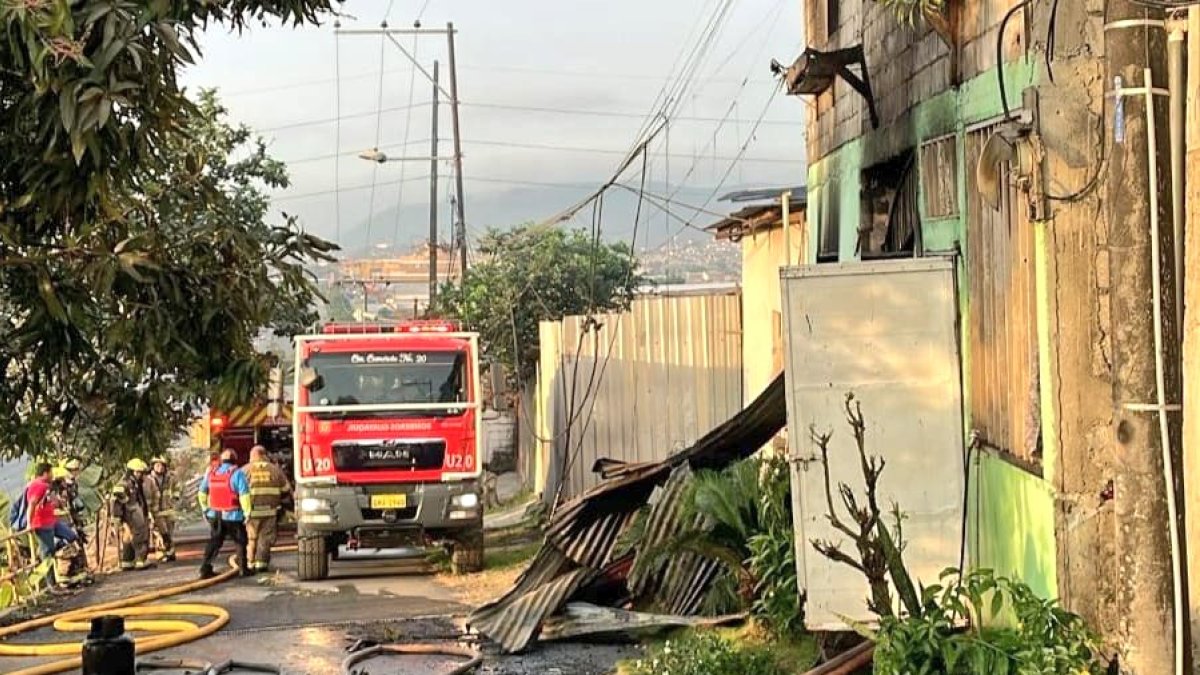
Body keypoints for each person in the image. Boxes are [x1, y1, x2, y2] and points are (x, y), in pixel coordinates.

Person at [197, 449, 251, 579]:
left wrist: (205, 509)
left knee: (214, 542)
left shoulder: (212, 473)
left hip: (215, 515)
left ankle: (205, 569)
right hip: (233, 515)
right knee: (240, 542)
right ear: (234, 460)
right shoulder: (237, 473)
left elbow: (202, 492)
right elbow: (244, 495)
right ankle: (243, 569)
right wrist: (247, 512)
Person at [24, 462, 77, 592]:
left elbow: (51, 501)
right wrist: (29, 524)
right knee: (47, 555)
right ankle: (51, 585)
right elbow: (32, 504)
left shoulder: (46, 486)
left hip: (52, 521)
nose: (52, 475)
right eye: (51, 472)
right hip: (42, 524)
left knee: (71, 536)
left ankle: (63, 566)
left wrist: (59, 502)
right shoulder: (38, 486)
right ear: (45, 473)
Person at [244, 446, 290, 574]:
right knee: (265, 538)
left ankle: (249, 563)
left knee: (251, 538)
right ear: (264, 455)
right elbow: (286, 490)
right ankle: (261, 564)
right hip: (269, 512)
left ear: (253, 455)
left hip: (251, 512)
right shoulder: (275, 470)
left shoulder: (245, 470)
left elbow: (237, 490)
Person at [109, 458, 153, 571]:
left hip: (134, 513)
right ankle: (140, 560)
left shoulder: (135, 483)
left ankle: (127, 561)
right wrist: (118, 516)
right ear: (131, 471)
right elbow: (117, 498)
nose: (139, 475)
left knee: (128, 538)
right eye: (137, 472)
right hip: (131, 514)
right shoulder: (125, 483)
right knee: (140, 536)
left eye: (141, 472)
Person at [51, 465, 90, 586]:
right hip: (58, 527)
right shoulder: (51, 496)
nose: (64, 483)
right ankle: (64, 577)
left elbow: (70, 509)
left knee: (75, 548)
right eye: (61, 480)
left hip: (68, 524)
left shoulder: (66, 493)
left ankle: (75, 575)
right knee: (64, 551)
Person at [144, 455, 179, 562]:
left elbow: (177, 487)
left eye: (162, 465)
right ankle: (161, 553)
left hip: (169, 510)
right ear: (153, 466)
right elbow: (147, 495)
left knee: (170, 533)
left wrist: (175, 497)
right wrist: (149, 510)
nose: (160, 467)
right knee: (160, 534)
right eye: (157, 465)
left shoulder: (171, 477)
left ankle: (170, 553)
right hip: (156, 512)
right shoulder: (148, 479)